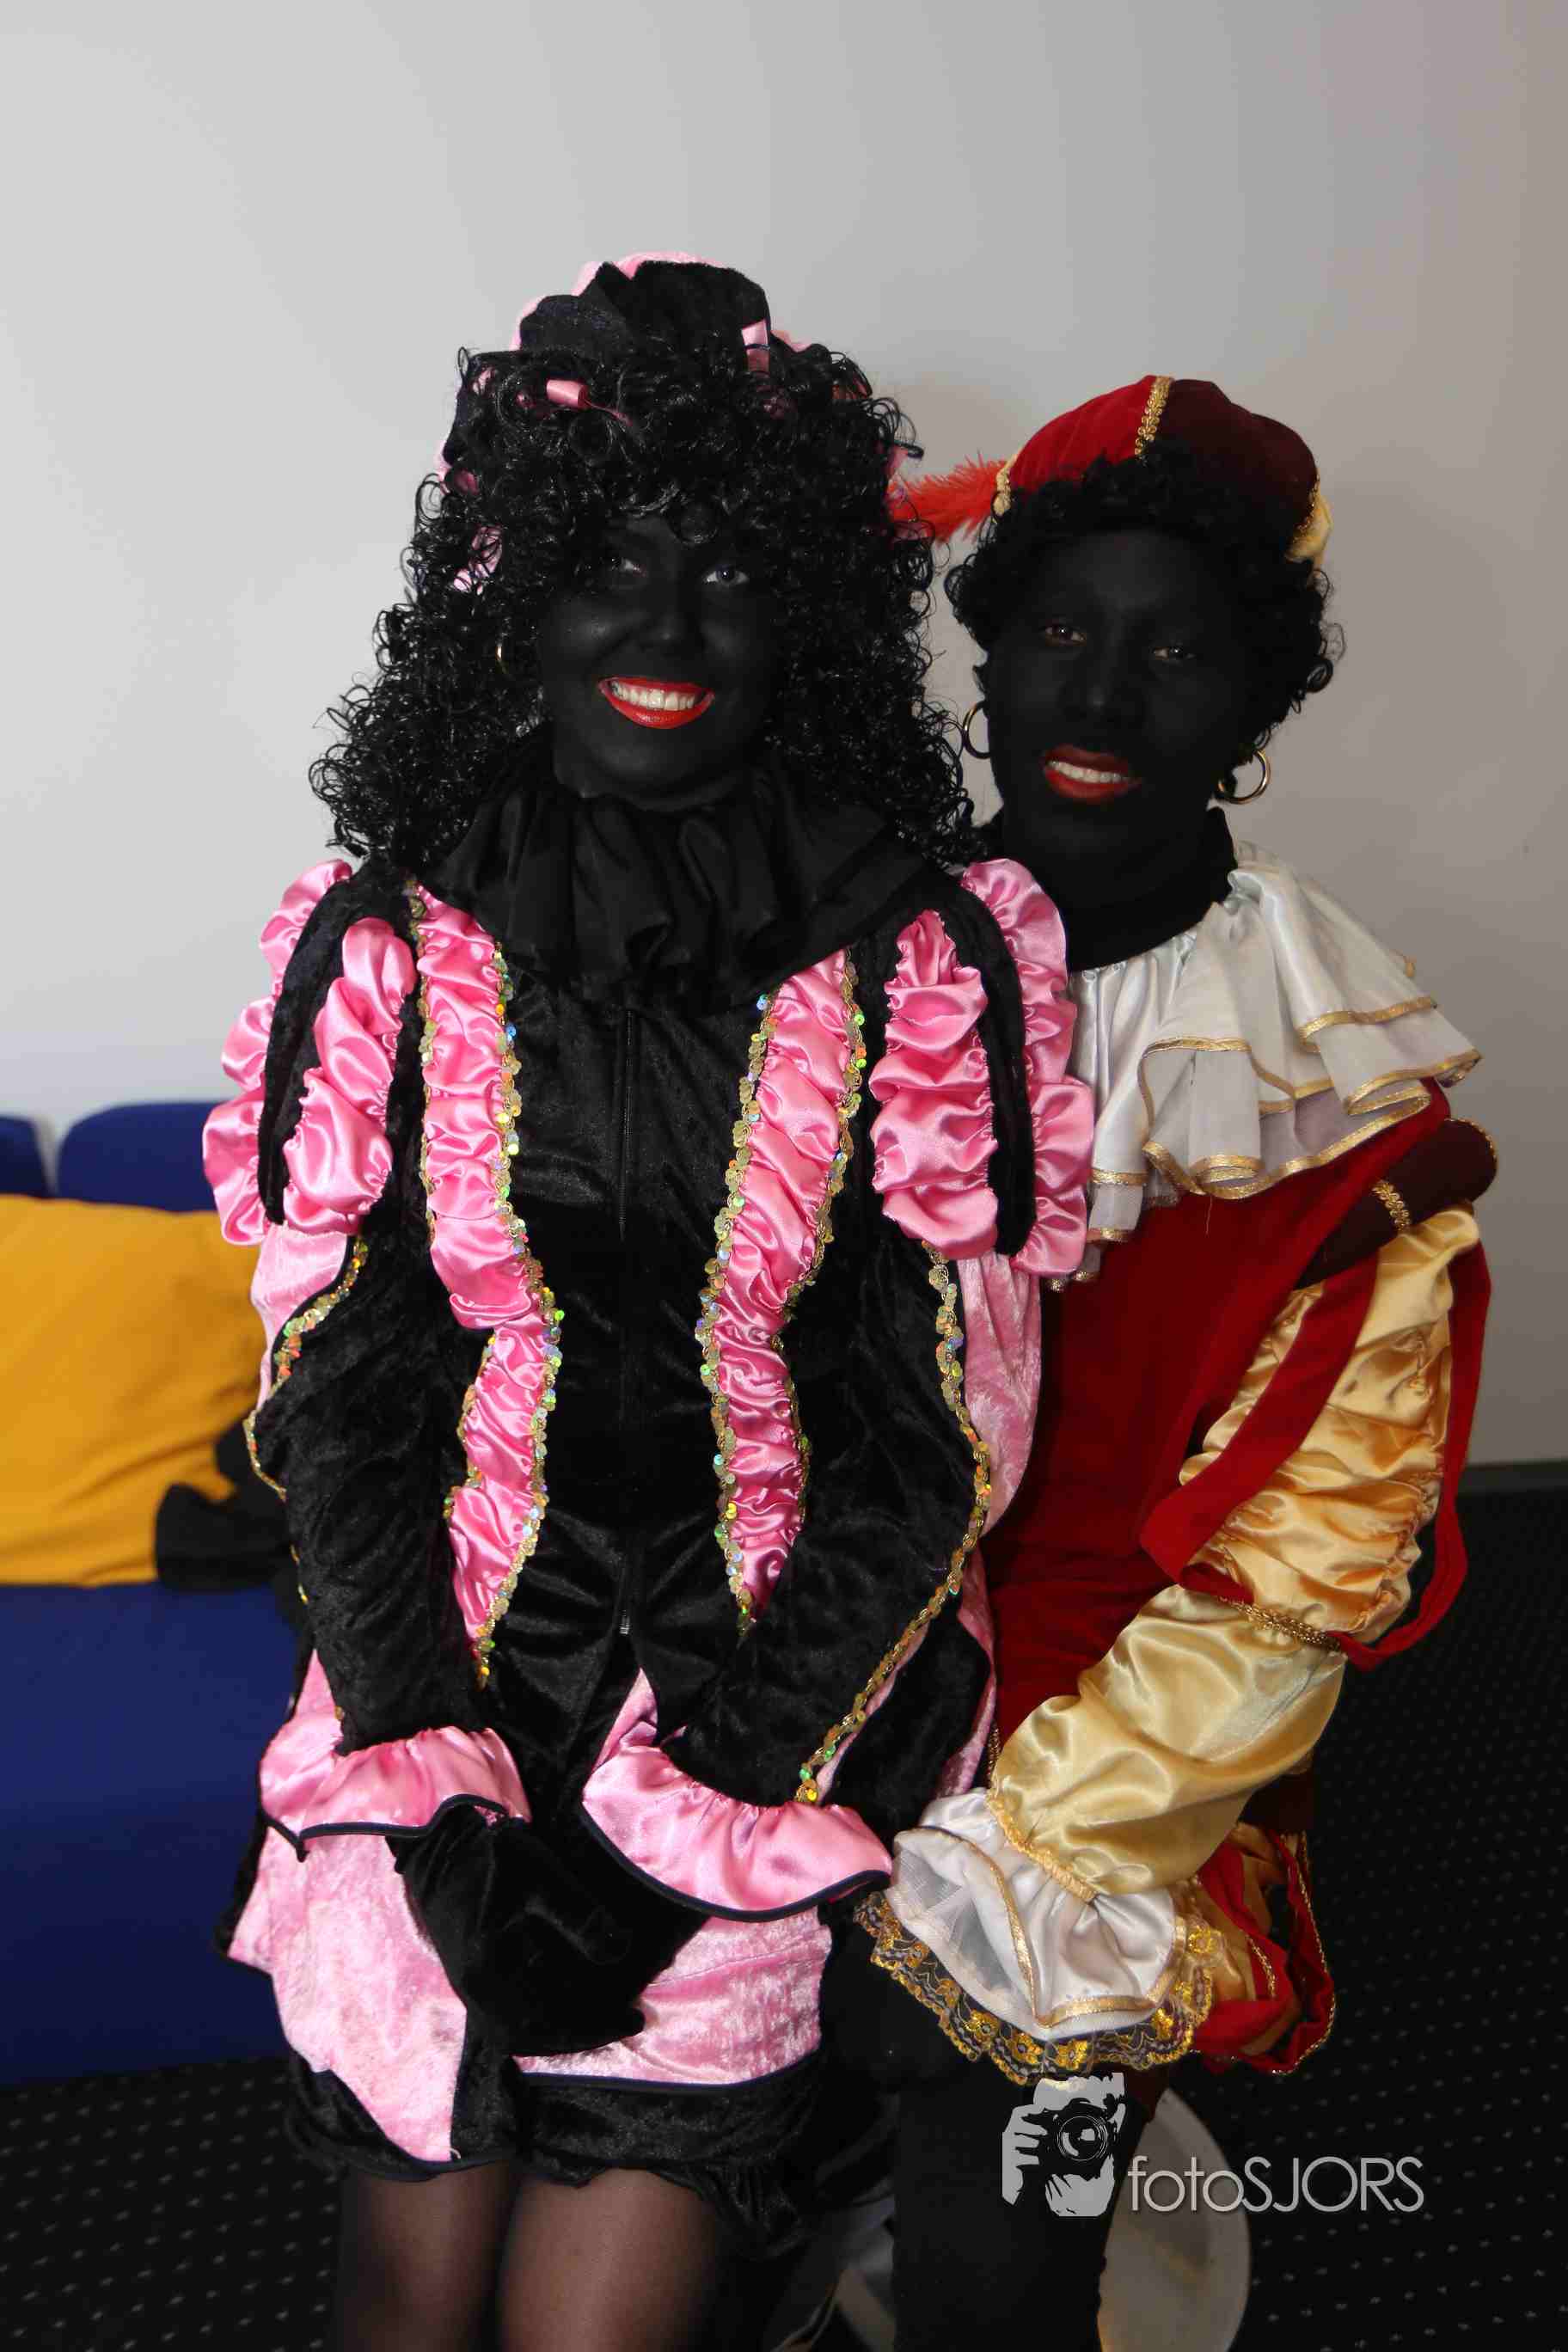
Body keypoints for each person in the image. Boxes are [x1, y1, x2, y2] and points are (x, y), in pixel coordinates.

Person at [201, 255, 1092, 2352]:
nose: (670, 629)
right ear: (512, 588)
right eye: (611, 562)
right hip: (436, 1678)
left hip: (760, 1709)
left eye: (732, 571)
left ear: (815, 610)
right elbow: (344, 1395)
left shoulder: (933, 952)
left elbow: (937, 1446)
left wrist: (682, 1825)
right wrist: (429, 1764)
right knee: (404, 2300)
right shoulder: (389, 934)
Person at [831, 376, 1493, 2348]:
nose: (1104, 696)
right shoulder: (828, 968)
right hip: (796, 1672)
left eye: (1177, 652)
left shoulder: (1334, 1097)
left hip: (1107, 1739)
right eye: (1059, 630)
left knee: (1003, 2256)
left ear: (1259, 704)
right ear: (989, 654)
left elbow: (1293, 1588)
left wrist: (1015, 1864)